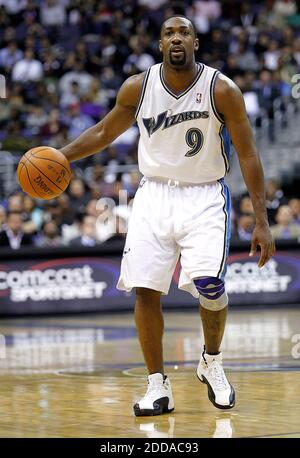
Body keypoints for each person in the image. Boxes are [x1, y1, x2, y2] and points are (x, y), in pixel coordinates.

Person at [58, 15, 275, 415]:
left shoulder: (221, 88)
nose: (177, 38)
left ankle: (211, 360)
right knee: (145, 288)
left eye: (184, 33)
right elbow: (106, 131)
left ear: (195, 42)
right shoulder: (138, 87)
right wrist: (61, 155)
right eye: (169, 33)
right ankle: (157, 385)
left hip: (205, 195)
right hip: (154, 195)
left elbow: (247, 153)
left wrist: (261, 218)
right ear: (160, 44)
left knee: (210, 285)